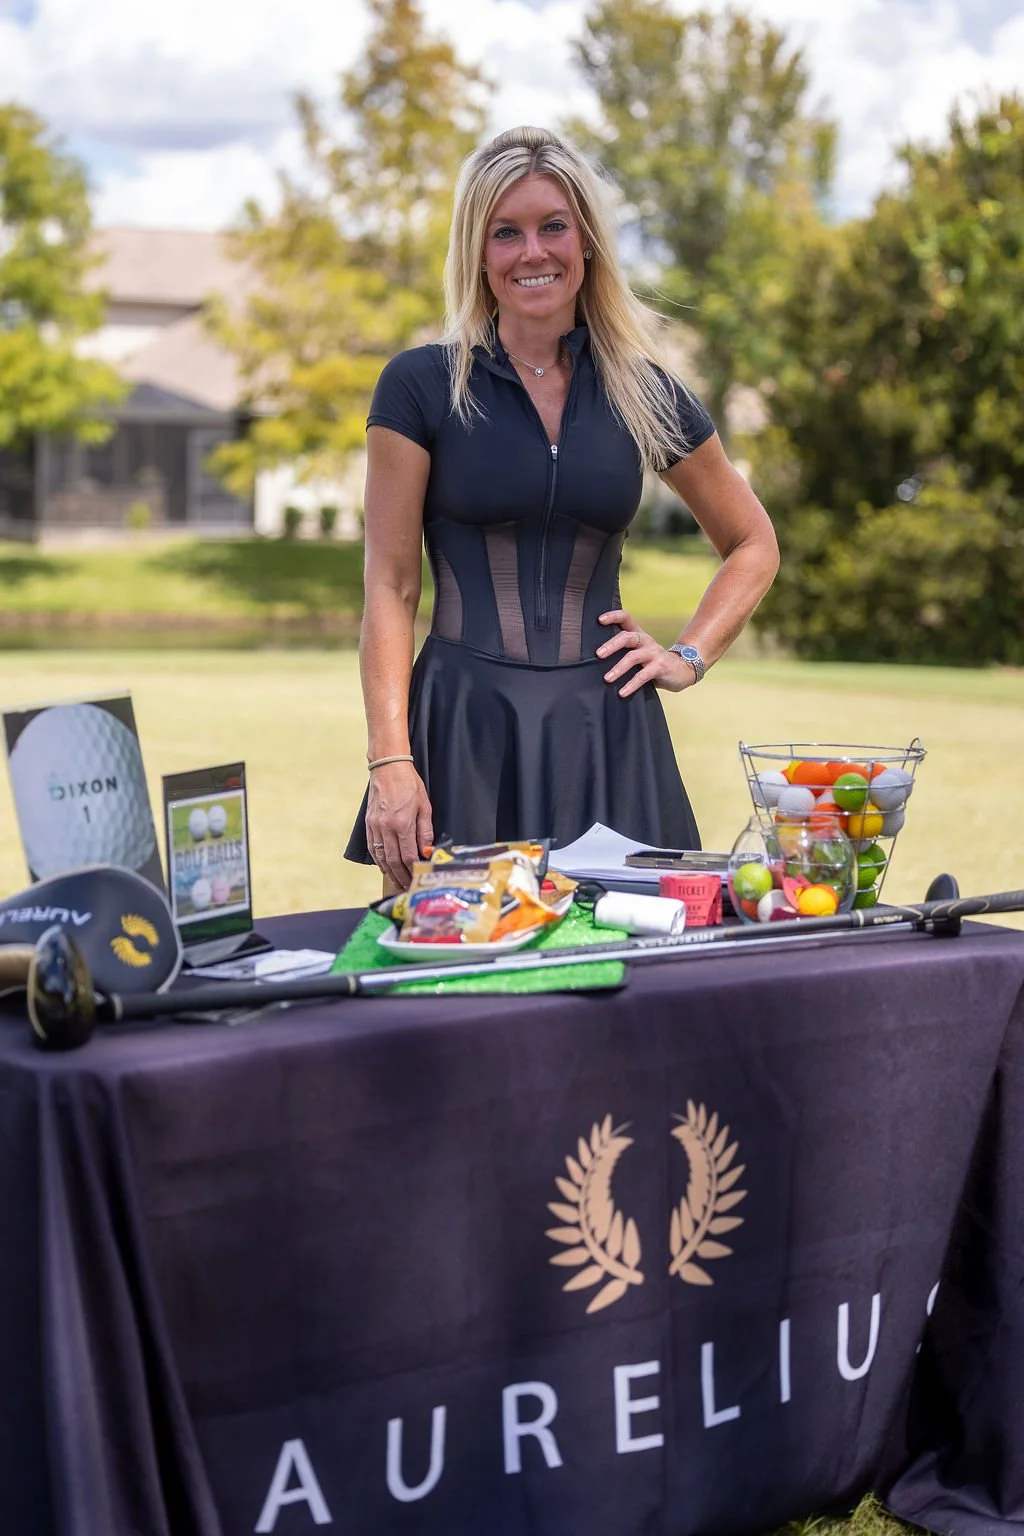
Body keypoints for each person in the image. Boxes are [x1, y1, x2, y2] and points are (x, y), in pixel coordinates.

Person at [345, 125, 779, 891]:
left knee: (635, 981)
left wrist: (686, 656)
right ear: (478, 254)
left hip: (609, 733)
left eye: (553, 226)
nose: (531, 252)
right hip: (462, 732)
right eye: (504, 233)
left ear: (587, 244)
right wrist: (391, 761)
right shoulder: (419, 387)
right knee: (450, 982)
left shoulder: (642, 391)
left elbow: (752, 542)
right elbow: (390, 587)